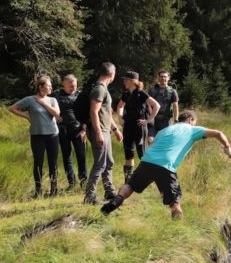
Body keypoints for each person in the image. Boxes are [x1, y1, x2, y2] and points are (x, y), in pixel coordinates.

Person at [102, 111, 229, 220]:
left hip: (147, 160)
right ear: (191, 120)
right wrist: (227, 147)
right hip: (166, 166)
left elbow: (154, 144)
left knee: (130, 185)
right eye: (194, 122)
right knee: (175, 202)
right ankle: (178, 230)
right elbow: (218, 133)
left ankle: (116, 201)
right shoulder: (192, 129)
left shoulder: (164, 130)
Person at [8, 75, 62, 197]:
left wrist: (44, 103)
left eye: (51, 86)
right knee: (38, 162)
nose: (51, 88)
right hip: (37, 135)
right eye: (48, 85)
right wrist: (27, 116)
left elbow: (57, 113)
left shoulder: (53, 100)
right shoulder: (29, 100)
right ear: (40, 87)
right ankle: (38, 191)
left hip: (53, 134)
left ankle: (54, 190)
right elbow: (12, 108)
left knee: (53, 163)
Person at [83, 62, 123, 204]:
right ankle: (90, 196)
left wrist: (115, 129)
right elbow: (93, 112)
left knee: (109, 162)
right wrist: (99, 133)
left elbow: (105, 113)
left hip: (106, 130)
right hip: (99, 131)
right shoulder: (99, 90)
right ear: (112, 75)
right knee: (100, 163)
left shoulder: (103, 89)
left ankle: (109, 191)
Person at [117, 71, 160, 183]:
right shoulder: (126, 94)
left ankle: (149, 178)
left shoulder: (141, 93)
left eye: (126, 79)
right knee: (128, 152)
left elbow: (156, 105)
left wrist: (148, 120)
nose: (124, 81)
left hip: (139, 126)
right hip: (128, 126)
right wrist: (120, 118)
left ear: (132, 81)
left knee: (142, 153)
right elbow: (120, 106)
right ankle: (128, 181)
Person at [53, 74, 88, 189]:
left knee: (81, 157)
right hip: (62, 130)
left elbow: (87, 113)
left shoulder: (80, 95)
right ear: (64, 84)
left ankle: (84, 183)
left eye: (75, 86)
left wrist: (84, 129)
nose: (73, 88)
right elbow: (44, 101)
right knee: (66, 157)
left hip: (78, 130)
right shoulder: (56, 94)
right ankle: (71, 183)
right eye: (71, 86)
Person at [147, 70, 179, 144]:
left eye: (165, 77)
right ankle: (153, 155)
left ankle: (162, 155)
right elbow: (147, 104)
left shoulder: (172, 91)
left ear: (168, 78)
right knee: (150, 140)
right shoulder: (152, 90)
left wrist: (176, 119)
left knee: (165, 142)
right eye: (161, 76)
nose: (163, 78)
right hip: (153, 119)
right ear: (158, 78)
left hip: (166, 120)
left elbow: (175, 106)